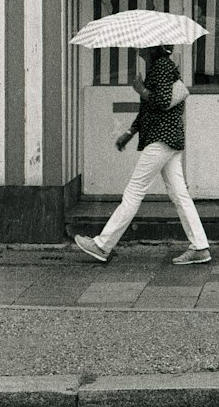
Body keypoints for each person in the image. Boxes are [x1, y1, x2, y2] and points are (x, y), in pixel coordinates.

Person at [74, 43, 211, 266]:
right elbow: (149, 109)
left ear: (153, 49)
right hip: (169, 139)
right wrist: (130, 132)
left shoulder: (161, 67)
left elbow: (163, 102)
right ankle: (200, 246)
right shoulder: (162, 67)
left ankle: (102, 245)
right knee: (179, 194)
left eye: (143, 47)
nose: (139, 49)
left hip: (161, 139)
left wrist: (141, 90)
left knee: (134, 192)